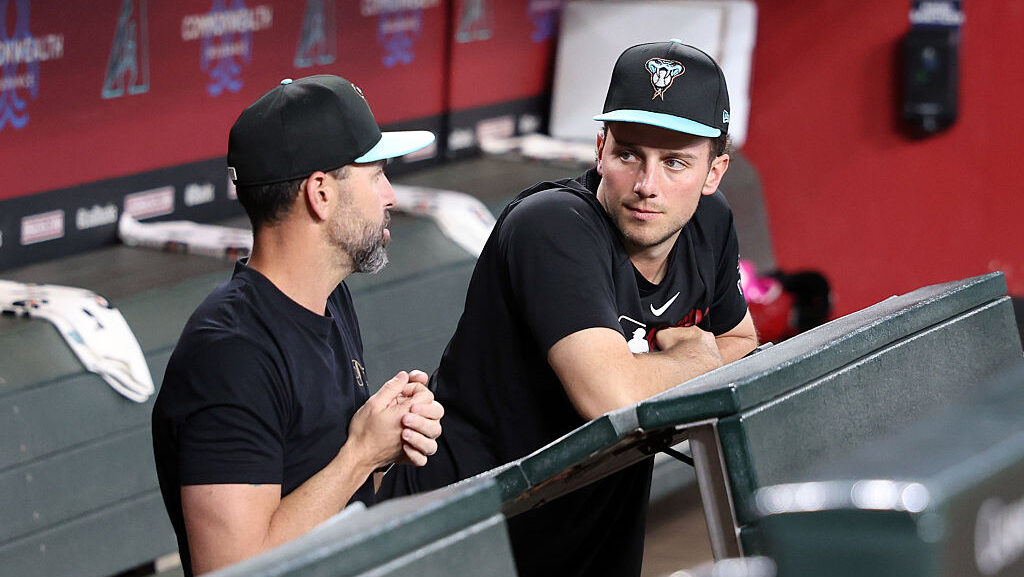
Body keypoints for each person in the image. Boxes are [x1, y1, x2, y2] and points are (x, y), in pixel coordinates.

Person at [381, 40, 758, 576]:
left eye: (675, 162)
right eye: (628, 155)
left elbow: (740, 341)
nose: (647, 186)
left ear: (714, 172)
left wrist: (671, 369)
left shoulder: (709, 223)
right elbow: (611, 396)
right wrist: (695, 359)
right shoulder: (553, 224)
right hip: (461, 533)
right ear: (600, 148)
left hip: (591, 522)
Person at [152, 74, 444, 577]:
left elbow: (329, 498)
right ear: (321, 193)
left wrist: (387, 440)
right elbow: (232, 570)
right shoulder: (230, 354)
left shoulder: (331, 300)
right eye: (376, 175)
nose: (390, 195)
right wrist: (361, 453)